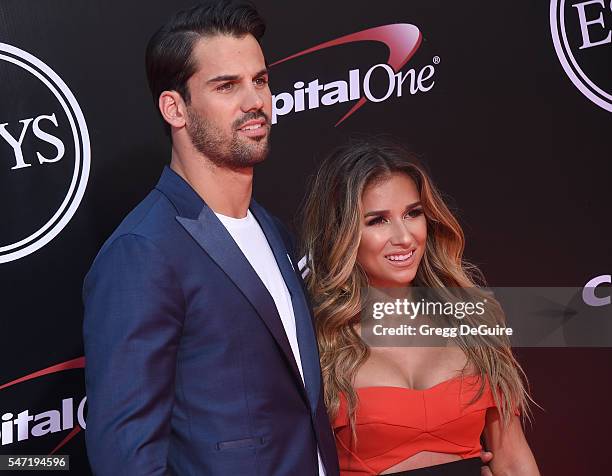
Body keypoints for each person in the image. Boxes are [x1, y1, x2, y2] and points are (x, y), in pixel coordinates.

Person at [82, 2, 339, 475]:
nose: (255, 101)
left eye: (260, 80)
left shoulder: (274, 230)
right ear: (174, 108)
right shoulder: (143, 252)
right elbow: (126, 458)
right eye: (226, 86)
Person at [299, 138, 540, 475]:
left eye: (413, 213)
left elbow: (512, 459)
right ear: (341, 233)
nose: (404, 237)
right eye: (377, 220)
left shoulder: (473, 320)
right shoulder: (317, 342)